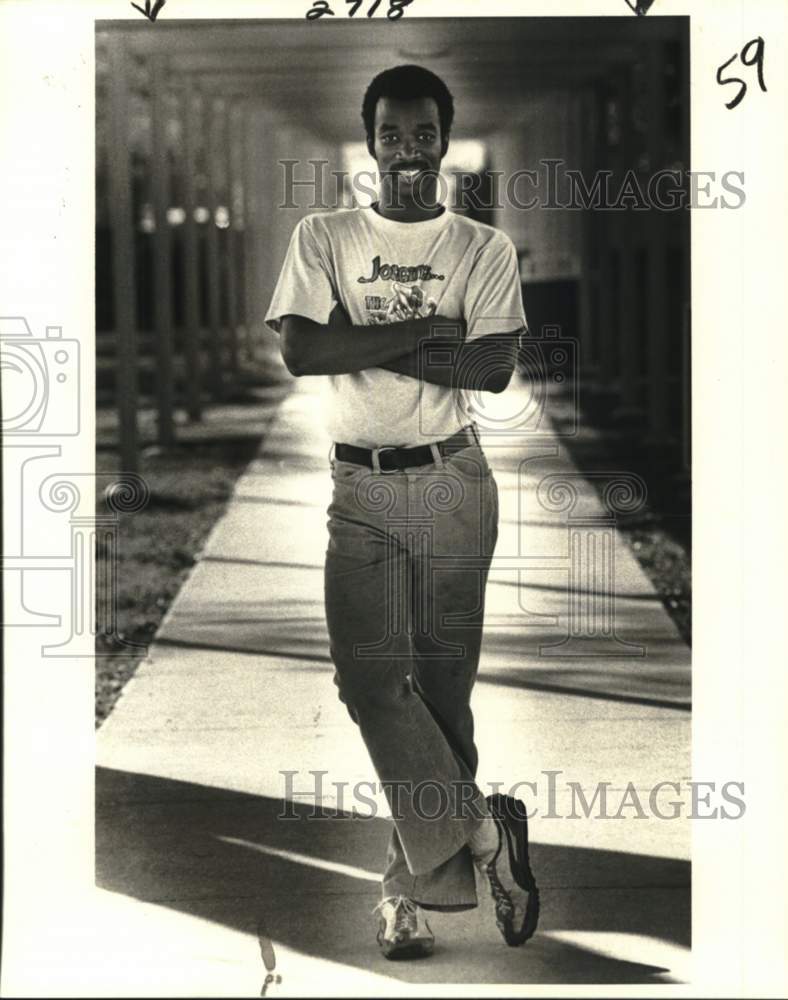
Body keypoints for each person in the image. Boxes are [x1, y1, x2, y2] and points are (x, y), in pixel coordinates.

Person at [265, 64, 539, 960]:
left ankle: (404, 901)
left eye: (425, 134)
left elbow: (492, 368)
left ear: (443, 140)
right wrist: (429, 338)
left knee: (442, 699)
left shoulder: (481, 248)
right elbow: (303, 350)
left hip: (454, 483)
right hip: (363, 489)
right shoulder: (326, 235)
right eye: (392, 134)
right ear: (372, 140)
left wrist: (367, 339)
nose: (408, 151)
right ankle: (487, 834)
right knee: (371, 684)